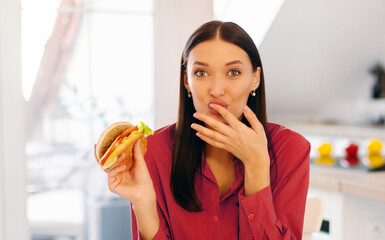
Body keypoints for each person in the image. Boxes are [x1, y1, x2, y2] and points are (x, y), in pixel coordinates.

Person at [107, 20, 311, 240]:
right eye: (201, 73)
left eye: (233, 72)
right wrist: (144, 203)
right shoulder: (152, 153)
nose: (216, 90)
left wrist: (257, 167)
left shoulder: (290, 150)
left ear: (255, 79)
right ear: (187, 82)